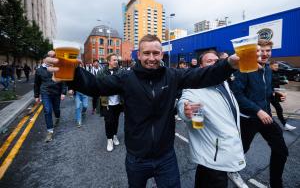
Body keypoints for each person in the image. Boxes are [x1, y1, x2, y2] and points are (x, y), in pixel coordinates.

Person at [46, 35, 239, 187]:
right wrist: (73, 73)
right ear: (139, 55)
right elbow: (95, 85)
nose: (151, 58)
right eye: (147, 53)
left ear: (162, 54)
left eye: (156, 53)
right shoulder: (126, 78)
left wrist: (229, 64)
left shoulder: (172, 76)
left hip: (166, 157)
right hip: (137, 157)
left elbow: (202, 75)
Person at [177, 50, 248, 188]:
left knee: (203, 178)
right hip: (214, 153)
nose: (215, 63)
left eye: (217, 61)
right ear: (201, 68)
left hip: (220, 149)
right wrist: (186, 111)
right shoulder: (194, 87)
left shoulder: (224, 82)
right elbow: (183, 102)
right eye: (209, 61)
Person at [230, 39, 289, 188]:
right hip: (248, 119)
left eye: (268, 51)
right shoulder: (244, 68)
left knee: (281, 150)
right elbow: (237, 94)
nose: (264, 54)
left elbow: (266, 92)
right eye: (261, 51)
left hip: (266, 116)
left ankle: (276, 184)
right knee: (241, 150)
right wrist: (257, 110)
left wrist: (275, 95)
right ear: (254, 51)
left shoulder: (267, 69)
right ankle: (231, 170)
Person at [34, 52, 67, 142]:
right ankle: (50, 131)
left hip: (56, 92)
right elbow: (36, 84)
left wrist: (63, 92)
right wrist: (36, 95)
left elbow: (63, 81)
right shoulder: (39, 70)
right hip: (45, 93)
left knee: (56, 109)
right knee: (47, 110)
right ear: (44, 59)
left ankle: (57, 117)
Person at [97, 54, 123, 152]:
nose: (116, 61)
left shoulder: (120, 72)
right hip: (106, 102)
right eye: (114, 60)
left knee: (116, 120)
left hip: (118, 101)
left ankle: (115, 135)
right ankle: (109, 139)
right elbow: (97, 85)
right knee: (108, 121)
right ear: (109, 61)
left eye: (117, 60)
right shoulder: (101, 72)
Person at [270, 61, 296, 131]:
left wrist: (284, 81)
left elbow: (277, 80)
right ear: (271, 66)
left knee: (279, 109)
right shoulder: (268, 73)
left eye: (277, 66)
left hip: (274, 94)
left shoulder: (276, 72)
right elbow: (272, 82)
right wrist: (283, 81)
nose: (277, 67)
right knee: (266, 111)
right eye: (275, 66)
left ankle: (284, 125)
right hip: (268, 94)